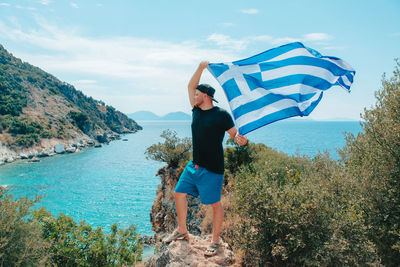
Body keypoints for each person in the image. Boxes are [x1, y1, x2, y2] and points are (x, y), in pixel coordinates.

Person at [164, 61, 247, 256]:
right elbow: (190, 86)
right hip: (194, 166)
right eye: (194, 95)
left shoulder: (222, 115)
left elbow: (235, 135)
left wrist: (241, 140)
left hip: (212, 168)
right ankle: (183, 231)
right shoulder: (196, 110)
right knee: (178, 194)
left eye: (197, 94)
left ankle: (215, 241)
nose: (193, 96)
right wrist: (200, 68)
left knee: (214, 204)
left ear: (206, 96)